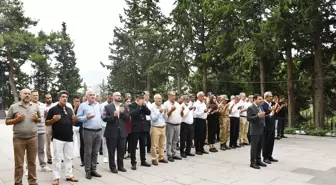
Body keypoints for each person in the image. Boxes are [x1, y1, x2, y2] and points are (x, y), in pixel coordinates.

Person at [6, 89, 41, 185]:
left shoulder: (35, 106)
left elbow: (39, 119)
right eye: (25, 93)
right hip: (19, 139)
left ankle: (33, 182)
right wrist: (16, 119)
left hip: (33, 138)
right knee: (19, 164)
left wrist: (36, 118)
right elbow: (7, 121)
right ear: (20, 95)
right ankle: (18, 183)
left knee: (32, 162)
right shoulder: (14, 107)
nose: (27, 95)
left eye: (29, 94)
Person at [46, 90, 79, 185]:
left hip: (69, 138)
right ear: (59, 98)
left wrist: (73, 120)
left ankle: (69, 175)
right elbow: (47, 123)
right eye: (63, 96)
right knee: (57, 158)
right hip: (58, 138)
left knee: (69, 158)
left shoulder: (69, 109)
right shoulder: (53, 109)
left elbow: (71, 123)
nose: (65, 98)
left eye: (66, 97)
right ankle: (56, 177)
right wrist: (53, 119)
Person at [77, 89, 103, 179]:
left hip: (99, 131)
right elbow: (78, 118)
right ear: (87, 97)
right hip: (88, 131)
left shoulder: (98, 105)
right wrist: (86, 117)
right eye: (91, 95)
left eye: (94, 94)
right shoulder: (82, 106)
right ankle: (87, 170)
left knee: (95, 151)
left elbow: (102, 116)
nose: (93, 96)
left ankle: (93, 169)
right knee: (88, 151)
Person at [103, 92, 129, 173]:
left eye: (120, 96)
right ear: (113, 97)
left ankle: (120, 166)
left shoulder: (124, 106)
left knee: (121, 150)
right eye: (117, 95)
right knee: (111, 151)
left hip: (122, 132)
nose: (119, 97)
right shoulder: (107, 107)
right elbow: (104, 118)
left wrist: (123, 112)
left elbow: (128, 118)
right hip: (111, 132)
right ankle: (112, 167)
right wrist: (113, 115)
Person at [128, 92, 152, 170]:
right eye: (141, 98)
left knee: (143, 146)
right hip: (135, 129)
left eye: (143, 98)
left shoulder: (143, 106)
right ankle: (133, 162)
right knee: (133, 146)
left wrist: (144, 106)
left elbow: (148, 113)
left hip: (143, 128)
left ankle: (143, 160)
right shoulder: (132, 105)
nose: (143, 100)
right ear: (137, 99)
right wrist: (139, 106)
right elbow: (132, 114)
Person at [247, 94, 267, 169]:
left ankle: (258, 160)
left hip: (261, 129)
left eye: (261, 99)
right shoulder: (250, 107)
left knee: (260, 146)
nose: (261, 100)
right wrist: (257, 116)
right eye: (259, 99)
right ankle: (252, 162)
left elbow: (262, 116)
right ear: (255, 99)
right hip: (254, 130)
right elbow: (248, 118)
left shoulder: (261, 107)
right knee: (254, 147)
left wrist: (268, 115)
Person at [164, 91, 183, 162]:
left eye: (174, 96)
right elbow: (165, 115)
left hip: (178, 124)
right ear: (168, 96)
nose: (174, 97)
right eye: (172, 96)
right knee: (169, 141)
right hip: (170, 124)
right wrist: (171, 110)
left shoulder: (177, 104)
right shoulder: (166, 104)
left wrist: (182, 111)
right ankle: (169, 154)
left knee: (175, 141)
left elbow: (181, 114)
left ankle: (174, 153)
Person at [150, 94, 169, 165]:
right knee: (154, 145)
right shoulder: (152, 107)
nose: (160, 100)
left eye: (161, 98)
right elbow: (153, 119)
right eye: (158, 98)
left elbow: (166, 118)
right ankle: (154, 158)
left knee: (162, 144)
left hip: (163, 127)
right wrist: (159, 112)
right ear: (154, 99)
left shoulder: (163, 106)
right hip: (155, 127)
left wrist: (165, 113)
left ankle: (161, 157)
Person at [261, 91, 278, 164]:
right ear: (266, 97)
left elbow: (274, 112)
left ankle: (269, 155)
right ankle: (265, 157)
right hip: (266, 125)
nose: (272, 98)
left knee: (271, 141)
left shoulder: (270, 104)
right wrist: (271, 111)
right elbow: (264, 115)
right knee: (266, 141)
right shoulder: (263, 104)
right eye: (270, 96)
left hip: (272, 124)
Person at [100, 92, 113, 163]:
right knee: (104, 140)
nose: (110, 98)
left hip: (112, 125)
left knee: (113, 140)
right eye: (109, 97)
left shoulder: (114, 105)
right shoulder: (102, 105)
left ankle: (113, 155)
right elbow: (102, 115)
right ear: (107, 97)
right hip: (104, 124)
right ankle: (105, 156)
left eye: (111, 97)